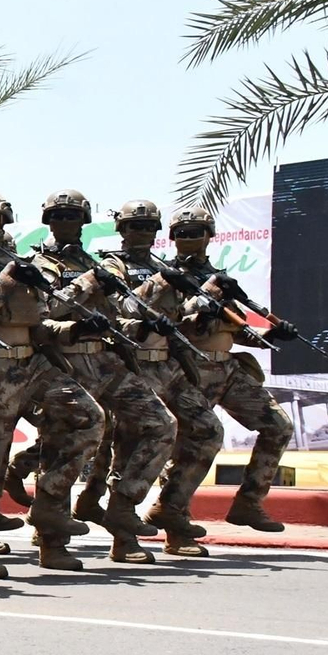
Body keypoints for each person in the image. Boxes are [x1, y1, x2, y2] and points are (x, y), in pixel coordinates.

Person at [0, 193, 104, 576]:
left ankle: (48, 511)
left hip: (35, 363)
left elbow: (40, 322)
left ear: (5, 221)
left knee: (88, 418)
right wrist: (5, 281)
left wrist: (76, 328)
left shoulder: (25, 263)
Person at [29, 188, 176, 569]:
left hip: (106, 361)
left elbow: (113, 315)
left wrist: (140, 326)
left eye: (73, 217)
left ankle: (123, 505)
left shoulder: (92, 261)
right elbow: (47, 309)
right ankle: (53, 540)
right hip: (65, 362)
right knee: (61, 445)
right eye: (59, 217)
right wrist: (90, 283)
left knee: (160, 424)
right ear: (48, 221)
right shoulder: (40, 263)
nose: (66, 223)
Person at [94, 200, 222, 557]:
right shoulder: (111, 266)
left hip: (169, 364)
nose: (142, 234)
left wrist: (207, 302)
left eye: (149, 227)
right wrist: (160, 283)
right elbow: (121, 310)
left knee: (207, 431)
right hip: (130, 364)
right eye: (135, 226)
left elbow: (181, 314)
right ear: (121, 230)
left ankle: (171, 513)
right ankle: (123, 531)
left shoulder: (166, 267)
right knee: (132, 444)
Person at [159, 206, 293, 533]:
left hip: (228, 369)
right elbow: (163, 324)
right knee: (198, 441)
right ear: (174, 238)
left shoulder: (220, 277)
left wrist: (270, 335)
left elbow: (234, 330)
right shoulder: (164, 277)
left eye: (197, 232)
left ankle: (249, 503)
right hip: (188, 369)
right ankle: (172, 517)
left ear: (209, 236)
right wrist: (200, 303)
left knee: (278, 426)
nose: (190, 239)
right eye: (183, 233)